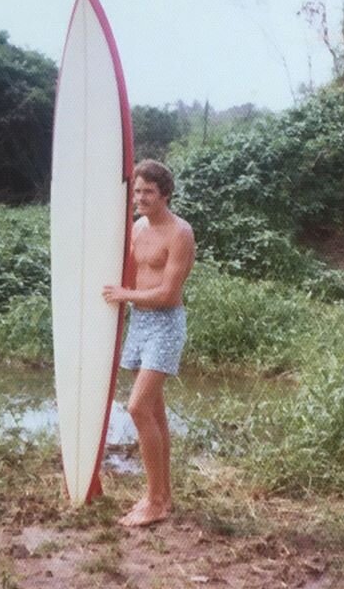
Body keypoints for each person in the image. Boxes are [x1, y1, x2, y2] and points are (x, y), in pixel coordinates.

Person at [102, 159, 195, 527]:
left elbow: (170, 293)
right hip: (140, 322)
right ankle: (163, 497)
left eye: (148, 192)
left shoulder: (179, 233)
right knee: (154, 413)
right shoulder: (138, 228)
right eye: (137, 191)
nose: (140, 197)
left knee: (138, 408)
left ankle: (154, 501)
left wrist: (125, 295)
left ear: (165, 195)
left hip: (166, 325)